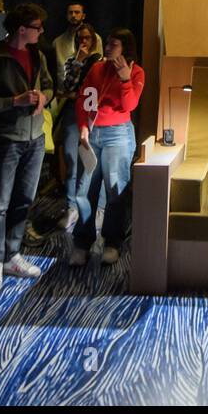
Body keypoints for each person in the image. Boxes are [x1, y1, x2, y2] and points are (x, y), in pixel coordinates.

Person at [0, 4, 53, 293]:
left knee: (24, 199)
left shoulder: (38, 55)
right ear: (22, 29)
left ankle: (12, 255)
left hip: (34, 139)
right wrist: (14, 102)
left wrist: (44, 98)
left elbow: (49, 86)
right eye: (37, 27)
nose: (42, 31)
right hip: (6, 139)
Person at [70, 28, 144, 268]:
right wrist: (83, 126)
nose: (109, 47)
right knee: (85, 190)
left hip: (118, 135)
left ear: (126, 48)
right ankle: (82, 242)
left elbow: (129, 104)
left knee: (115, 189)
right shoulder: (97, 68)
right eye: (108, 43)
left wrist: (124, 78)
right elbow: (85, 97)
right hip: (93, 132)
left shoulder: (136, 72)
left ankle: (112, 242)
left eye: (114, 44)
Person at [51, 22, 104, 235]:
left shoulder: (100, 61)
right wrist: (78, 62)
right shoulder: (73, 60)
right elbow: (66, 88)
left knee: (92, 163)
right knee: (72, 162)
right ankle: (72, 207)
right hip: (73, 113)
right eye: (80, 38)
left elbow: (94, 90)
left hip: (94, 115)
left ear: (93, 40)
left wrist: (77, 93)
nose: (83, 42)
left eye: (87, 38)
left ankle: (96, 209)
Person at [53, 1, 102, 74]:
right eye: (70, 12)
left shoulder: (95, 38)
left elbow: (99, 67)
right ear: (66, 16)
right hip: (65, 82)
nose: (73, 15)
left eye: (77, 12)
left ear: (83, 16)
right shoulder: (57, 42)